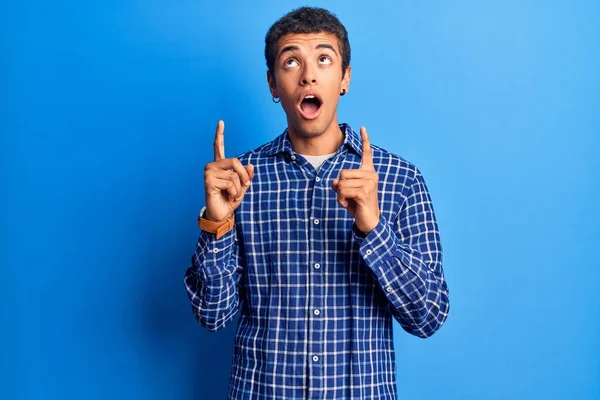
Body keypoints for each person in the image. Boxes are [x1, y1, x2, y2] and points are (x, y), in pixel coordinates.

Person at [184, 6, 449, 399]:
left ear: (344, 78)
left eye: (324, 59)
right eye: (292, 61)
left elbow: (427, 315)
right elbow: (212, 313)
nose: (308, 74)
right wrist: (217, 223)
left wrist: (374, 228)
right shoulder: (240, 181)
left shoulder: (400, 180)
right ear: (274, 85)